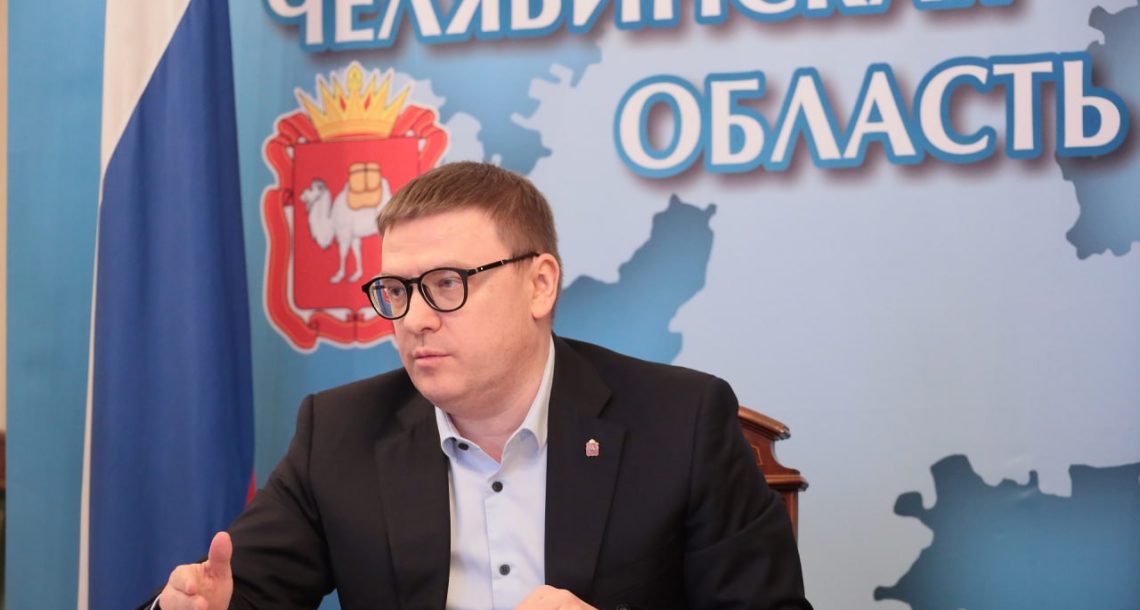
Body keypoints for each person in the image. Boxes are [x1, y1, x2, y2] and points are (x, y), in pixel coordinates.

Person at [152, 162, 812, 610]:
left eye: (446, 283)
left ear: (540, 284)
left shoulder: (680, 422)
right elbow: (238, 593)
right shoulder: (341, 433)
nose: (414, 318)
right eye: (396, 290)